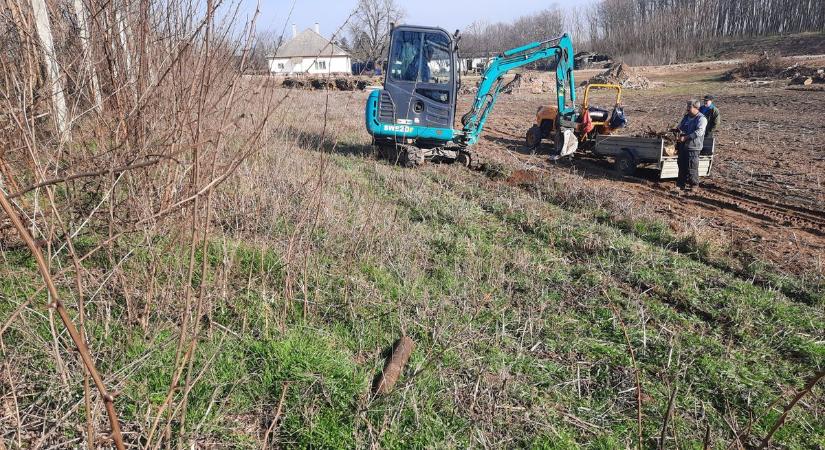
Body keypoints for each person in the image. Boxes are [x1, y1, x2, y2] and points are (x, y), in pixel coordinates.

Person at [675, 99, 707, 192]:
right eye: (687, 106)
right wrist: (676, 131)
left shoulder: (701, 119)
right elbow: (680, 127)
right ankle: (680, 184)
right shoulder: (686, 117)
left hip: (694, 146)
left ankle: (694, 185)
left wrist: (686, 137)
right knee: (681, 165)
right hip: (683, 146)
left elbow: (699, 132)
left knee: (692, 166)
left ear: (696, 107)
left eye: (689, 106)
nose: (687, 108)